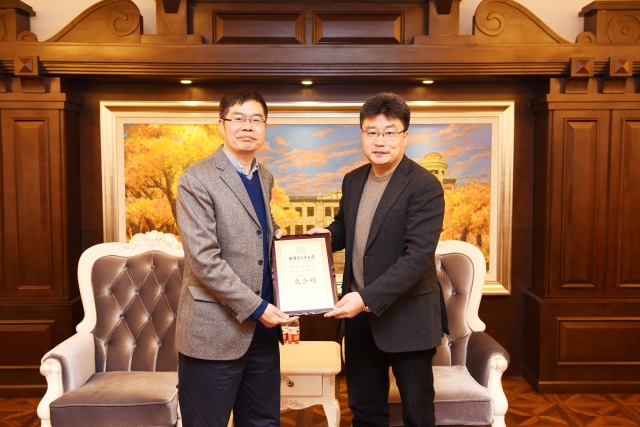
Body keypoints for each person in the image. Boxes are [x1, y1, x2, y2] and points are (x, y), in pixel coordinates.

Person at [308, 92, 446, 427]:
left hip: (408, 318)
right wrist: (325, 236)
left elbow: (417, 258)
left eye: (389, 132)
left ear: (405, 135)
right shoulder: (353, 180)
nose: (379, 141)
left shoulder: (424, 185)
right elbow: (346, 226)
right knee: (365, 412)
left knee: (417, 416)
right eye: (371, 132)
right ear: (362, 134)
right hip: (359, 321)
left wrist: (366, 298)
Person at [175, 88, 296, 427]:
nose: (248, 126)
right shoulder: (196, 179)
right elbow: (204, 260)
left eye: (256, 120)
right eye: (239, 119)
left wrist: (281, 240)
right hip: (214, 332)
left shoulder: (264, 177)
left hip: (263, 334)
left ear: (265, 127)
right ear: (221, 124)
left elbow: (258, 229)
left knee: (263, 422)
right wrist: (257, 308)